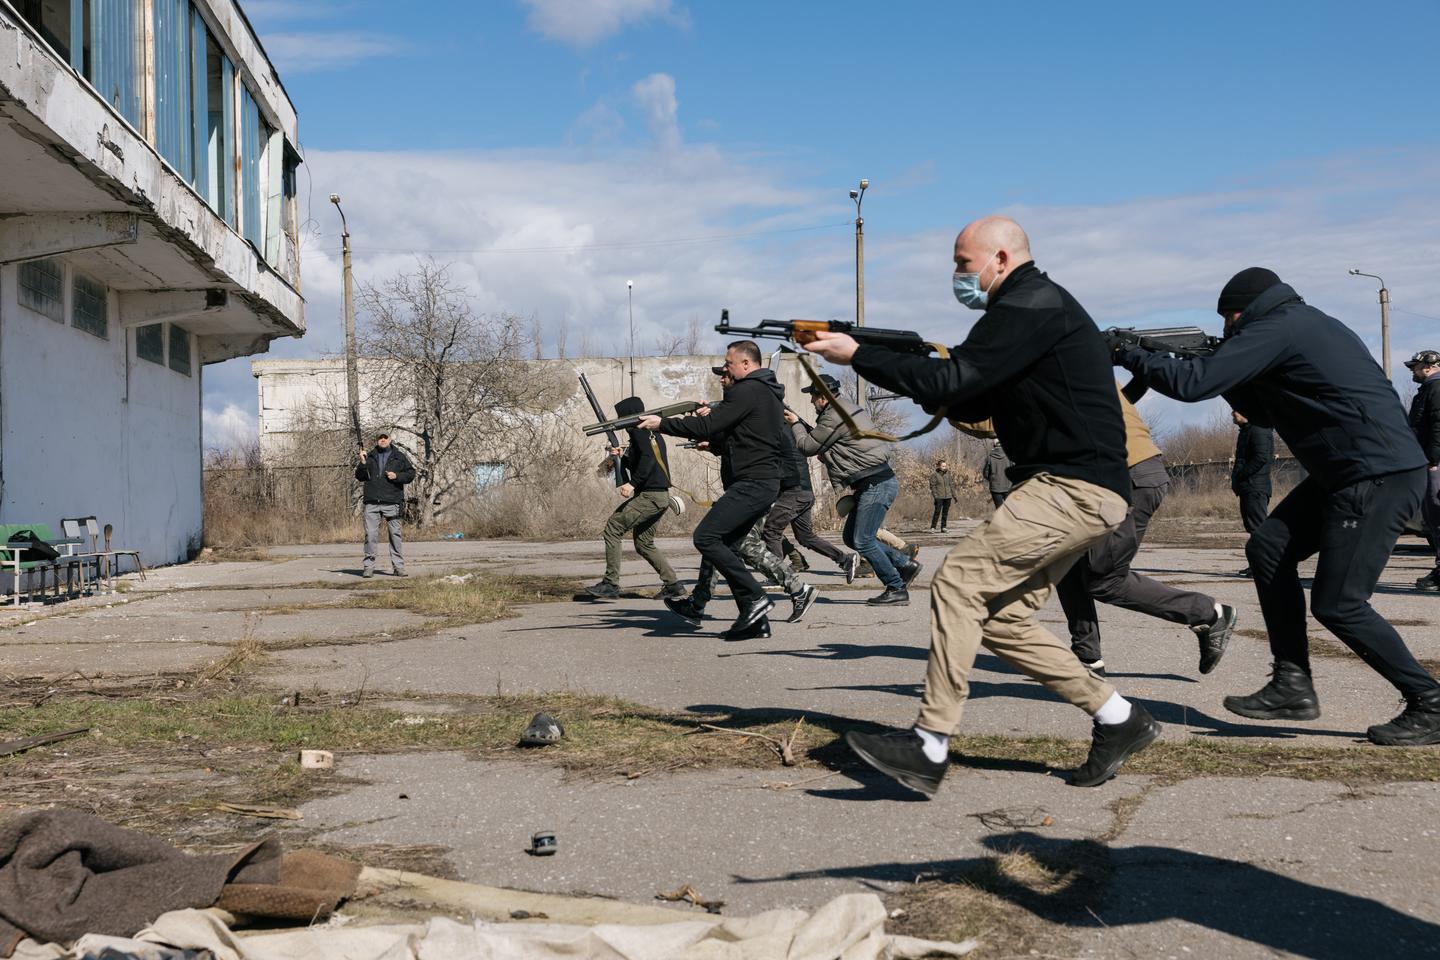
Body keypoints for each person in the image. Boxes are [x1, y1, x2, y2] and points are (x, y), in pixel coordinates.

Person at [802, 215, 1158, 795]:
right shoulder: (1031, 310)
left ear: (999, 258)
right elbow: (968, 388)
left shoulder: (1031, 304)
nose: (956, 274)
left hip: (1072, 486)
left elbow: (956, 378)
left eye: (963, 264)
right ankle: (1120, 719)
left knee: (958, 583)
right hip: (1081, 487)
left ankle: (928, 744)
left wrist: (860, 353)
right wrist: (904, 359)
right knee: (1002, 619)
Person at [1114, 267, 1440, 745]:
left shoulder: (1283, 326)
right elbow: (1263, 410)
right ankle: (1292, 684)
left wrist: (1128, 353)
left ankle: (1429, 701)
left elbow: (1192, 384)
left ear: (1239, 312)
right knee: (1268, 548)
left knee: (1340, 604)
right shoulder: (1298, 326)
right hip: (1347, 473)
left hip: (1376, 474)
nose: (1227, 331)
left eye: (1228, 321)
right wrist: (1220, 370)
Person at [1054, 384, 1237, 677]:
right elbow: (1129, 391)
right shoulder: (1077, 360)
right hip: (1100, 479)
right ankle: (1088, 660)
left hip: (1126, 477)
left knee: (1105, 580)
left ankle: (1207, 613)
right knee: (1065, 562)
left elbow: (986, 421)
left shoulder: (1047, 366)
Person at [638, 341, 784, 639]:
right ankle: (755, 622)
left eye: (728, 363)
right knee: (727, 546)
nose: (724, 369)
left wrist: (661, 423)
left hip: (753, 482)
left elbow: (707, 427)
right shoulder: (765, 392)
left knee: (706, 537)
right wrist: (715, 436)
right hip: (762, 481)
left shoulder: (747, 390)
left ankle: (756, 597)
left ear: (746, 364)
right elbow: (738, 434)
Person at [667, 366, 819, 629]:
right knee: (719, 542)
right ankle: (698, 604)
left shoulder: (766, 412)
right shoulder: (760, 411)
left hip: (761, 488)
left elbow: (764, 451)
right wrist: (714, 443)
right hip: (752, 487)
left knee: (740, 545)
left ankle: (797, 589)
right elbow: (737, 443)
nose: (722, 379)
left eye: (726, 374)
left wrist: (713, 422)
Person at [788, 373, 920, 605]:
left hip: (875, 484)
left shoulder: (834, 416)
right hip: (873, 483)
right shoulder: (843, 409)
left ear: (824, 397)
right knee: (851, 537)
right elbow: (828, 442)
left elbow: (806, 446)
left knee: (863, 541)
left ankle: (896, 586)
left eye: (814, 396)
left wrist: (796, 424)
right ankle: (903, 564)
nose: (811, 401)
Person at [584, 396, 685, 602]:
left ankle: (610, 584)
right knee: (644, 543)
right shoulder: (650, 434)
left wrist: (632, 484)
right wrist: (622, 457)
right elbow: (644, 461)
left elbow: (648, 460)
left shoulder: (639, 433)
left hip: (650, 495)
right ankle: (673, 585)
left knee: (613, 527)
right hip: (660, 496)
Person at [761, 404, 861, 581]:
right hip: (805, 492)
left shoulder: (778, 432)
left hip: (794, 492)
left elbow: (779, 466)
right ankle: (845, 559)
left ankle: (777, 576)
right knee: (805, 537)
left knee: (771, 529)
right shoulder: (792, 429)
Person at [1404, 349, 1440, 591]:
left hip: (1434, 464)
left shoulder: (1436, 390)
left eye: (1415, 367)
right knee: (1432, 518)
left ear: (1429, 366)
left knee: (1437, 516)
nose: (1413, 372)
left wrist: (1433, 459)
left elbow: (1439, 425)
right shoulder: (1429, 390)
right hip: (1429, 461)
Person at [355, 433, 414, 578]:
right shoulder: (369, 456)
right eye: (380, 438)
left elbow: (411, 473)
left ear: (390, 440)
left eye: (385, 437)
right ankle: (369, 567)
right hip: (372, 502)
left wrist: (397, 476)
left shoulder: (399, 456)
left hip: (393, 501)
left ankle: (398, 567)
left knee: (395, 535)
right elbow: (360, 476)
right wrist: (362, 463)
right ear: (377, 440)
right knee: (371, 536)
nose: (382, 440)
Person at [1231, 408, 1274, 576]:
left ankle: (1264, 566)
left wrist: (1241, 475)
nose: (1232, 414)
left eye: (1235, 411)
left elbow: (1261, 457)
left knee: (1258, 527)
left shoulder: (1258, 430)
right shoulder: (1247, 431)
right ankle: (1257, 565)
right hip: (1249, 487)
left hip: (1255, 487)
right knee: (1253, 527)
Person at [982, 442, 1013, 506]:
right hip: (1008, 487)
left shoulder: (990, 457)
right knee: (1010, 509)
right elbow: (1014, 471)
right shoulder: (1009, 456)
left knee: (999, 509)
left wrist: (992, 479)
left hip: (995, 488)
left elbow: (985, 473)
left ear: (994, 446)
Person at [929, 459, 955, 532]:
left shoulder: (948, 474)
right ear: (939, 466)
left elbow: (951, 485)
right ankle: (933, 527)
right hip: (939, 497)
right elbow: (932, 486)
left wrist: (954, 496)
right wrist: (935, 496)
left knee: (945, 513)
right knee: (937, 512)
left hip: (948, 497)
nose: (945, 467)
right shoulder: (934, 475)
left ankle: (943, 527)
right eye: (943, 466)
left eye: (945, 466)